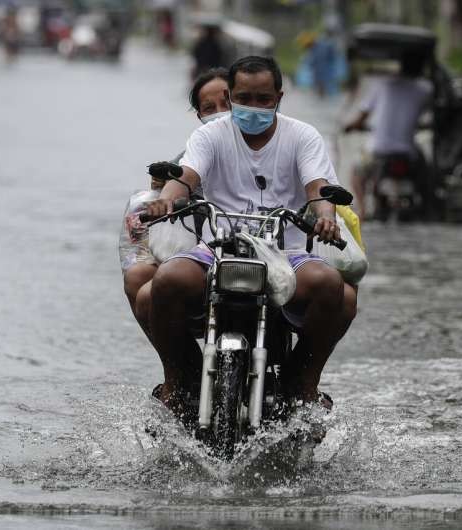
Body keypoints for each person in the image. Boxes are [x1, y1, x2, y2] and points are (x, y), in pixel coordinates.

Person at [145, 55, 357, 411]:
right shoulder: (210, 134)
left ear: (279, 97)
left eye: (263, 99)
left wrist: (325, 217)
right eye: (244, 98)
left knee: (329, 285)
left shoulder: (303, 136)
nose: (253, 107)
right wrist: (165, 201)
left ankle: (303, 381)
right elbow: (185, 177)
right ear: (231, 98)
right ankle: (178, 379)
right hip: (218, 249)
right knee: (166, 281)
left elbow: (319, 190)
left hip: (285, 255)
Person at [121, 68, 230, 341]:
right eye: (210, 108)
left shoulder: (281, 141)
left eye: (227, 104)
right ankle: (181, 369)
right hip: (205, 248)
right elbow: (180, 182)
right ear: (200, 116)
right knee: (138, 277)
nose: (220, 112)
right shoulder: (194, 152)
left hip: (263, 246)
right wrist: (162, 196)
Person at [343, 52, 433, 219]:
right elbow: (430, 114)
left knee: (356, 173)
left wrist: (350, 126)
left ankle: (362, 211)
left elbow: (360, 118)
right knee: (428, 176)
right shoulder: (425, 89)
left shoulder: (382, 84)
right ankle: (428, 209)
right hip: (408, 154)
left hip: (378, 152)